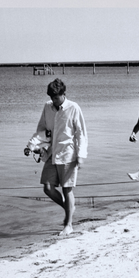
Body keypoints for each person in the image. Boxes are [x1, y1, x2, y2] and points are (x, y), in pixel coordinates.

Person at [24, 78, 88, 235]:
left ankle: (69, 224)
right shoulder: (47, 107)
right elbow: (42, 130)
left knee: (67, 189)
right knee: (47, 188)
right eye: (52, 98)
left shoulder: (74, 108)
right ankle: (70, 208)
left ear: (63, 94)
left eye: (56, 98)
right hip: (52, 153)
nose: (54, 101)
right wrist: (31, 145)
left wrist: (81, 155)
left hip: (69, 153)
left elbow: (81, 133)